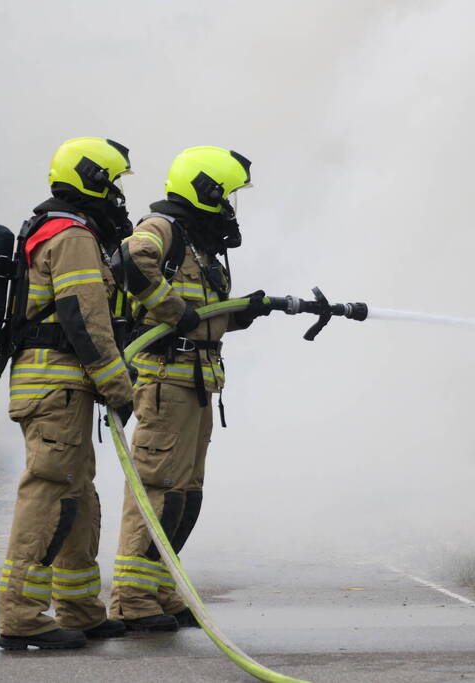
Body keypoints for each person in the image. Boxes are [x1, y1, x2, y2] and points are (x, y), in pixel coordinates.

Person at [108, 146, 268, 631]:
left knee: (185, 495)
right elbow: (130, 261)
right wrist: (171, 311)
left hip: (197, 385)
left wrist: (243, 312)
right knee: (156, 490)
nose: (229, 207)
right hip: (163, 382)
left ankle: (158, 585)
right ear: (206, 190)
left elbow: (203, 313)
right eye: (225, 195)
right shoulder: (164, 229)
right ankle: (129, 597)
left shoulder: (199, 245)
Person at [0, 138, 136, 650]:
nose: (119, 195)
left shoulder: (58, 228)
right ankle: (22, 616)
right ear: (93, 179)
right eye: (114, 181)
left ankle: (79, 608)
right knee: (49, 496)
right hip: (55, 385)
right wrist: (117, 384)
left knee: (77, 496)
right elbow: (84, 318)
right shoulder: (72, 235)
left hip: (60, 386)